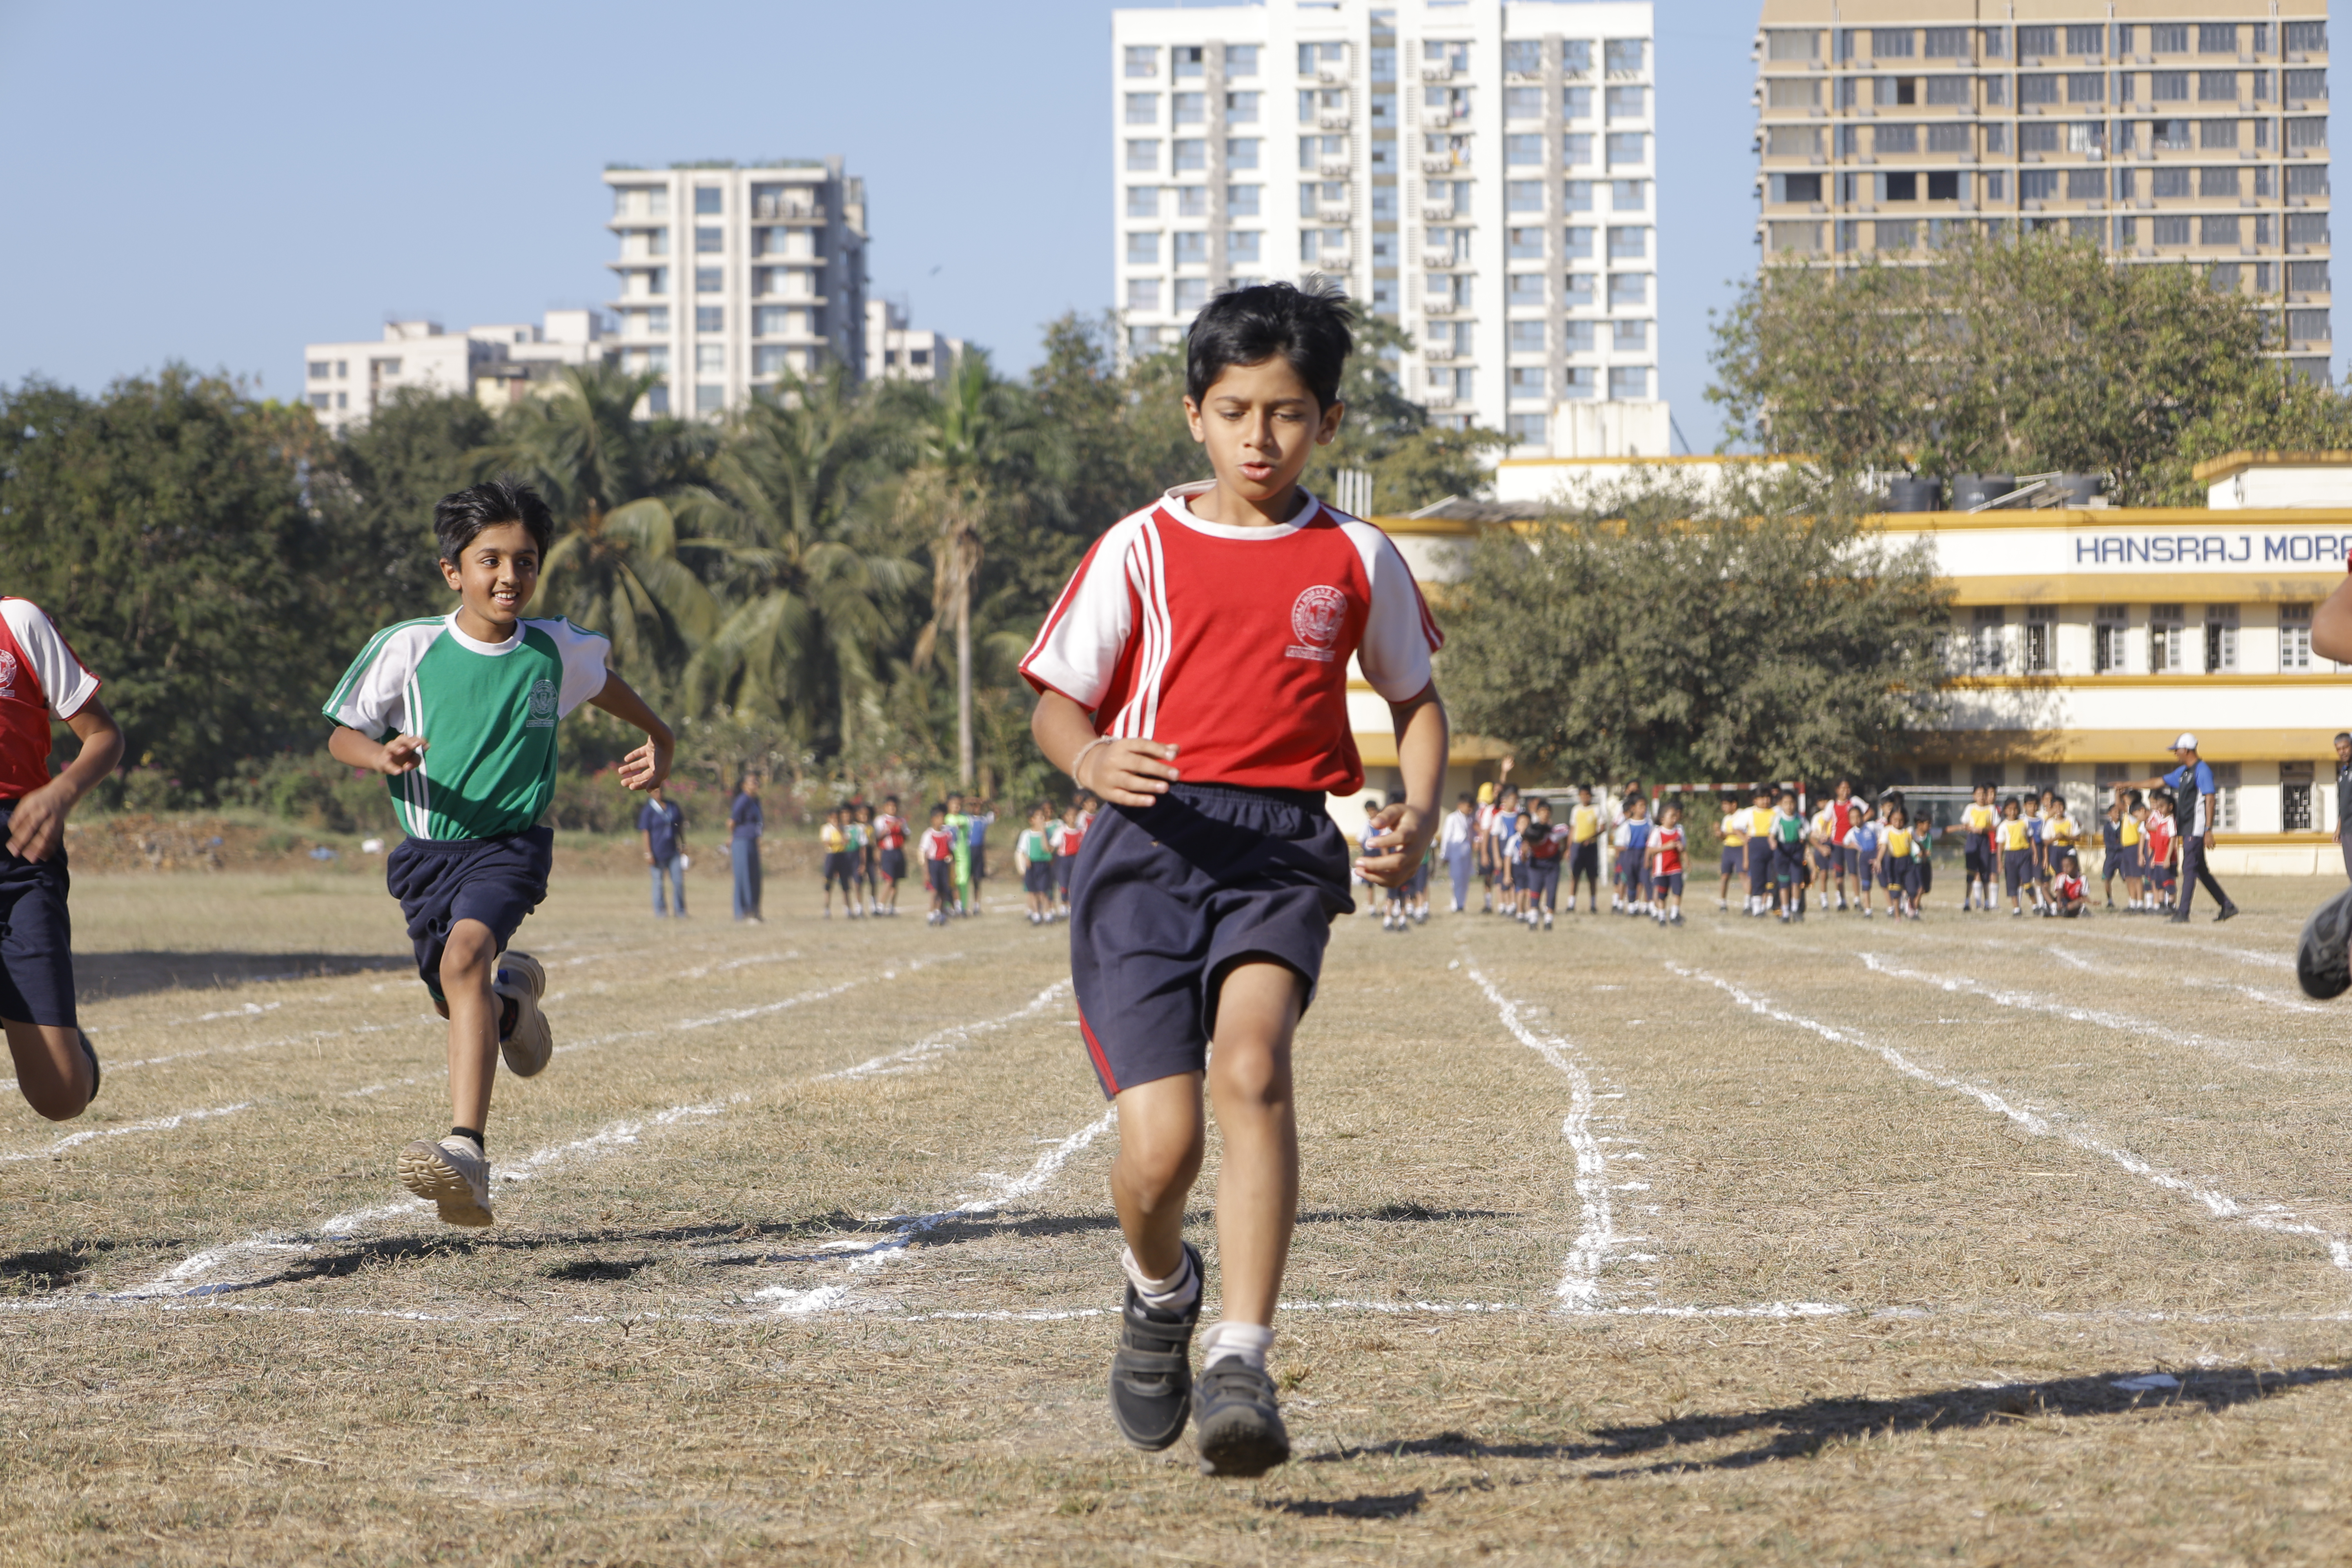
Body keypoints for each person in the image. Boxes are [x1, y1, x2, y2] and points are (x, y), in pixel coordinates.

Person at [1018, 281, 1448, 1478]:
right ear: (1193, 416)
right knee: (1157, 1152)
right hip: (1145, 846)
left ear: (1329, 419)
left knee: (1252, 1066)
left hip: (1278, 849)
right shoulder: (1138, 547)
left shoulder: (1353, 554)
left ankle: (1240, 1357)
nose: (1260, 437)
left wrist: (1416, 809)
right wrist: (1088, 753)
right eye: (1235, 409)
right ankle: (1160, 1289)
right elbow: (1057, 697)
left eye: (1288, 413)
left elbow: (1414, 703)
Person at [323, 479, 672, 1227]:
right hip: (426, 857)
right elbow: (341, 731)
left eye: (526, 561)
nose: (510, 576)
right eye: (491, 560)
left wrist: (662, 740)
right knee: (461, 993)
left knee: (463, 959)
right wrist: (380, 756)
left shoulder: (554, 650)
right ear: (454, 570)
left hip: (512, 847)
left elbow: (611, 689)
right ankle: (516, 1003)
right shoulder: (407, 647)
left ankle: (468, 1154)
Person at [0, 597, 122, 1122]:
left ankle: (65, 1044)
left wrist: (60, 792)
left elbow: (104, 735)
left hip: (19, 858)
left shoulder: (18, 622)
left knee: (61, 1098)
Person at [2121, 736, 2239, 923]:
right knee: (2200, 870)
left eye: (2177, 749)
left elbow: (2210, 799)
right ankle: (2227, 906)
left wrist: (2208, 829)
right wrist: (2130, 785)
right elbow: (2158, 782)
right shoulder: (2184, 772)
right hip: (2188, 827)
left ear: (2187, 750)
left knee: (2189, 868)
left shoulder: (2202, 770)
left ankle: (2183, 912)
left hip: (2197, 828)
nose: (2175, 753)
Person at [639, 783, 687, 918]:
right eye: (655, 792)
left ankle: (680, 911)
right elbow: (646, 832)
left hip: (673, 850)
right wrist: (648, 852)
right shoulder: (649, 810)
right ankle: (661, 912)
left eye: (660, 791)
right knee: (658, 883)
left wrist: (683, 844)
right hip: (657, 852)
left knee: (678, 882)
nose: (659, 794)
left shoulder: (672, 806)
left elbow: (680, 826)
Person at [1521, 795, 1565, 931]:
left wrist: (1564, 852)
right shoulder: (1533, 831)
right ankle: (1533, 919)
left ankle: (1548, 920)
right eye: (1542, 811)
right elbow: (1525, 848)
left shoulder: (1555, 831)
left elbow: (1566, 835)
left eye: (1547, 811)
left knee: (1551, 892)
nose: (1545, 814)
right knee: (1535, 891)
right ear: (1537, 813)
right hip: (1536, 864)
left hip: (1552, 864)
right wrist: (1525, 853)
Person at [730, 774, 765, 923]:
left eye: (757, 782)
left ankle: (755, 910)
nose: (755, 784)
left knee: (755, 877)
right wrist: (734, 836)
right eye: (752, 782)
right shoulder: (742, 800)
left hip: (753, 841)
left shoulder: (756, 801)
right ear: (744, 785)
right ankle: (743, 912)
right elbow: (731, 822)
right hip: (741, 841)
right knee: (744, 877)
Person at [1646, 799, 1687, 925]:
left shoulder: (1679, 831)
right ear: (1663, 819)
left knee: (1678, 889)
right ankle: (1662, 916)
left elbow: (1684, 848)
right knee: (1662, 893)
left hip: (1675, 867)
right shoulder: (1657, 832)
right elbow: (1650, 850)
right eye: (1672, 816)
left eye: (1676, 816)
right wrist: (1666, 847)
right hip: (1661, 869)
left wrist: (1684, 854)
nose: (1675, 819)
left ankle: (1675, 914)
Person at [1016, 802, 1056, 925]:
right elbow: (1022, 850)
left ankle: (1048, 914)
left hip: (1044, 864)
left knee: (1043, 891)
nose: (1042, 819)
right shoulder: (1027, 834)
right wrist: (1026, 859)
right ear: (1032, 820)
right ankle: (1036, 915)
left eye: (1043, 817)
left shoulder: (1047, 833)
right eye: (1039, 817)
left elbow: (1046, 848)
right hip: (1032, 865)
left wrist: (1043, 832)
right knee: (1032, 891)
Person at [1880, 804, 1920, 920]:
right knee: (1896, 893)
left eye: (1901, 820)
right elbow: (1883, 847)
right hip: (1894, 863)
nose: (1898, 823)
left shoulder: (1909, 831)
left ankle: (1909, 900)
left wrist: (1923, 851)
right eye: (1895, 820)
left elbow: (1917, 842)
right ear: (1891, 819)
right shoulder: (1887, 831)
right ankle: (1898, 917)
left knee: (1913, 889)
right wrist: (1878, 860)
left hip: (1908, 862)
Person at [1995, 795, 2034, 917]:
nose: (2013, 812)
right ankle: (2017, 908)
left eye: (2015, 809)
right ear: (2005, 810)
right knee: (2012, 882)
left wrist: (2035, 854)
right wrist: (2000, 862)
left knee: (2027, 880)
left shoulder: (2024, 822)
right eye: (2010, 809)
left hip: (2024, 853)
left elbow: (2031, 839)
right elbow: (2000, 846)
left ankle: (2036, 905)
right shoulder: (2003, 826)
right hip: (2011, 855)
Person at [1438, 793, 1476, 913]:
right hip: (1455, 851)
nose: (1470, 809)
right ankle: (1455, 904)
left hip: (1467, 850)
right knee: (1457, 878)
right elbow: (1447, 838)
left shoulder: (1470, 819)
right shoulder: (1452, 818)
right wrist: (1445, 855)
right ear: (1460, 805)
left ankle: (1462, 903)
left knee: (1465, 879)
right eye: (1468, 806)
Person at [1742, 786, 1776, 917]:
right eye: (1762, 798)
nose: (1765, 801)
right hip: (1756, 846)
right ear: (1755, 800)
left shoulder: (1775, 812)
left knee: (1771, 877)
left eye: (1768, 797)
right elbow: (1737, 828)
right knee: (1757, 878)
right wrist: (1745, 838)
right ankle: (1756, 908)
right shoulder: (1749, 813)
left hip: (1771, 846)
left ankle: (1769, 905)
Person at [920, 804, 956, 925]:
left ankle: (941, 915)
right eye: (940, 818)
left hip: (944, 865)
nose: (943, 821)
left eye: (944, 818)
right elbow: (924, 853)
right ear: (933, 819)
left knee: (944, 891)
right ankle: (931, 914)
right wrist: (926, 872)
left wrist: (953, 869)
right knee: (934, 891)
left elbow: (952, 852)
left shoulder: (948, 834)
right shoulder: (929, 834)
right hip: (933, 865)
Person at [2143, 791, 2180, 912]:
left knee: (2169, 883)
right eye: (2158, 807)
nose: (2159, 809)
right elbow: (2158, 843)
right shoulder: (2161, 822)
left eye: (2162, 807)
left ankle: (2171, 906)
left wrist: (2168, 858)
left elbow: (2172, 840)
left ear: (2170, 807)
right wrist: (2154, 858)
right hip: (2158, 859)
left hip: (2166, 859)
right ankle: (2161, 905)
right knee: (2158, 883)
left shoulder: (2171, 821)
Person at [819, 806, 857, 919]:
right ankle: (827, 910)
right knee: (828, 884)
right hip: (832, 856)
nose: (836, 821)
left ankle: (848, 910)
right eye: (833, 818)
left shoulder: (843, 828)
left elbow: (847, 841)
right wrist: (839, 842)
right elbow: (827, 843)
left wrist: (839, 831)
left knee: (845, 884)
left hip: (843, 856)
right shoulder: (826, 828)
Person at [875, 795, 909, 917]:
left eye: (895, 807)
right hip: (887, 852)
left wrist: (902, 830)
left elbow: (907, 837)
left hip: (898, 852)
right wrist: (888, 829)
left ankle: (892, 908)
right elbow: (877, 837)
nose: (892, 809)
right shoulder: (881, 820)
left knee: (896, 881)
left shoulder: (902, 821)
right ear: (885, 807)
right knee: (889, 880)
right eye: (890, 807)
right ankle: (879, 907)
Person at [1849, 800, 1881, 919]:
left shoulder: (1871, 826)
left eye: (1858, 817)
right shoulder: (1852, 833)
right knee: (1866, 885)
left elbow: (1883, 832)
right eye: (1853, 818)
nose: (1856, 820)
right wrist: (1856, 846)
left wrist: (1881, 843)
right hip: (1864, 858)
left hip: (1876, 855)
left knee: (1884, 882)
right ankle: (1868, 911)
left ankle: (1892, 908)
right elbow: (1845, 842)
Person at [1715, 792, 1746, 913]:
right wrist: (1719, 833)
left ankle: (1748, 903)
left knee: (1743, 875)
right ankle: (1723, 903)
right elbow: (1723, 837)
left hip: (1740, 848)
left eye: (1725, 804)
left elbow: (1743, 831)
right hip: (1728, 849)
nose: (1723, 807)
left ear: (1734, 805)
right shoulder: (1726, 818)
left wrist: (1728, 833)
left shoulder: (1743, 815)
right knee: (1725, 876)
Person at [967, 799, 996, 913]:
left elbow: (997, 812)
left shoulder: (984, 819)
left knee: (977, 879)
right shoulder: (968, 819)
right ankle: (962, 905)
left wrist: (988, 802)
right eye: (974, 806)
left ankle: (976, 905)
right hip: (969, 850)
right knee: (965, 879)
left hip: (979, 851)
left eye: (979, 806)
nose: (977, 809)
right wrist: (970, 799)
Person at [2098, 795, 2125, 909]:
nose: (2117, 814)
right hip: (2111, 856)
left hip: (2123, 856)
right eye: (2114, 812)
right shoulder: (2107, 827)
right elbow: (2108, 842)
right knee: (2107, 878)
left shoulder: (2124, 825)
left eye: (2119, 812)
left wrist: (2120, 846)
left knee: (2128, 877)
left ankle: (2133, 900)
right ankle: (2109, 900)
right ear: (2110, 814)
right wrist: (2118, 846)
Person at [2334, 732, 2352, 884]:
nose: (2342, 752)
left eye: (2345, 747)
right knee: (2351, 870)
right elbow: (2344, 803)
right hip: (2346, 830)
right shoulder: (2344, 772)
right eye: (2339, 749)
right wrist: (2339, 828)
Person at [2052, 851, 2089, 918]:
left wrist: (2090, 902)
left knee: (2078, 903)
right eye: (2063, 867)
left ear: (2076, 867)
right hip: (2063, 900)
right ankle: (2054, 908)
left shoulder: (2083, 878)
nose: (2065, 869)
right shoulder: (2062, 877)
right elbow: (2060, 891)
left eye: (2068, 866)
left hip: (2073, 902)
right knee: (2044, 888)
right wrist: (2059, 902)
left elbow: (2084, 896)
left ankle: (2066, 911)